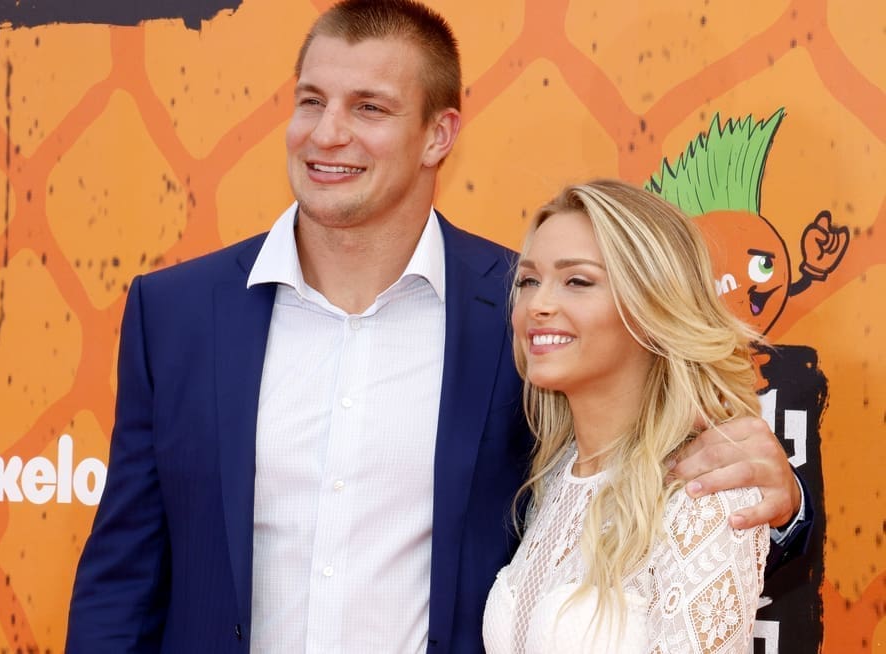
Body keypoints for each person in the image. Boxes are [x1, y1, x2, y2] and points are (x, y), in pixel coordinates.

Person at [65, 1, 808, 652]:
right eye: (310, 101)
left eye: (369, 108)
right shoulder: (179, 313)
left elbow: (647, 468)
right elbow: (124, 574)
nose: (327, 135)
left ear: (437, 135)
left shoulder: (525, 316)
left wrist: (783, 506)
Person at [483, 179, 772, 653]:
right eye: (529, 280)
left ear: (650, 305)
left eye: (577, 281)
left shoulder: (703, 490)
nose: (537, 305)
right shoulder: (554, 477)